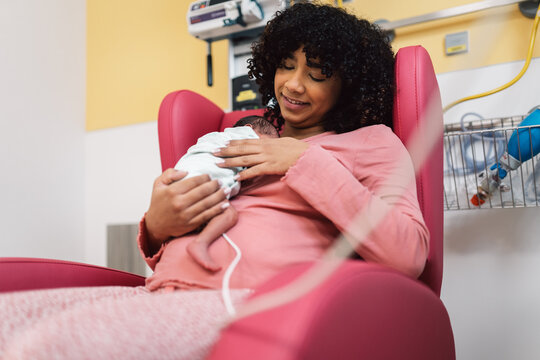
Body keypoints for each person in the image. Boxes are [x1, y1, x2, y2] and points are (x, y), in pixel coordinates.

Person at [0, 3, 429, 359]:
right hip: (161, 292)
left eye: (317, 73)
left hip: (254, 306)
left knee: (51, 348)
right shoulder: (243, 135)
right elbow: (176, 227)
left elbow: (407, 253)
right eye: (285, 66)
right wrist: (156, 226)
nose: (293, 85)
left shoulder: (373, 144)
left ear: (347, 84)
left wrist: (305, 160)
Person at [177, 116, 279, 272]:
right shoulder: (244, 136)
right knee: (228, 214)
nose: (267, 150)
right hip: (200, 180)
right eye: (268, 143)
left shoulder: (211, 138)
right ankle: (200, 243)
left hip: (180, 177)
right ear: (249, 128)